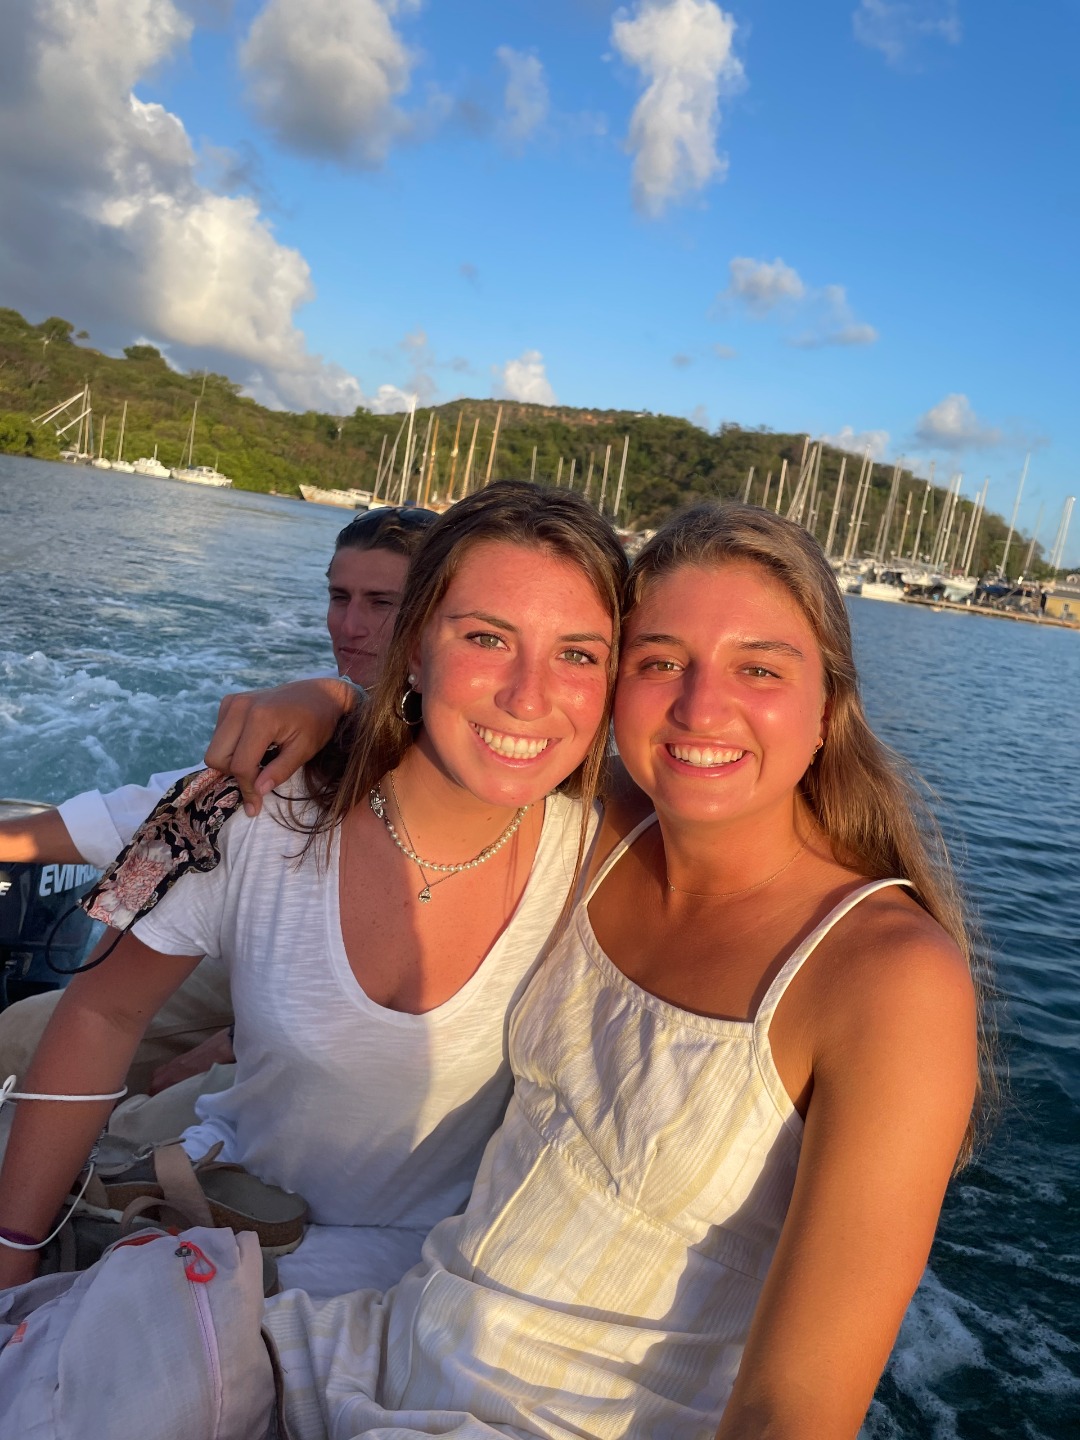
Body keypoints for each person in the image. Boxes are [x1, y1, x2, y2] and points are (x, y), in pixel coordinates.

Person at [259, 502, 986, 1440]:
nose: (700, 708)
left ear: (827, 713)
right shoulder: (595, 831)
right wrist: (331, 700)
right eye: (660, 662)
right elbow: (464, 735)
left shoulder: (885, 979)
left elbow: (793, 1412)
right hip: (387, 1341)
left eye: (760, 669)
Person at [0, 483, 627, 1303]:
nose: (528, 696)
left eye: (578, 654)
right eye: (485, 638)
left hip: (436, 1292)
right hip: (228, 1236)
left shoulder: (611, 853)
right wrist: (12, 1252)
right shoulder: (250, 805)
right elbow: (102, 1012)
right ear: (414, 648)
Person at [0, 507, 439, 1109]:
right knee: (19, 1034)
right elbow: (169, 809)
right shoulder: (313, 719)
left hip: (367, 999)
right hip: (263, 955)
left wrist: (229, 1042)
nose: (350, 625)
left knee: (163, 1108)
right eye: (339, 597)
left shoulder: (451, 743)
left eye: (381, 602)